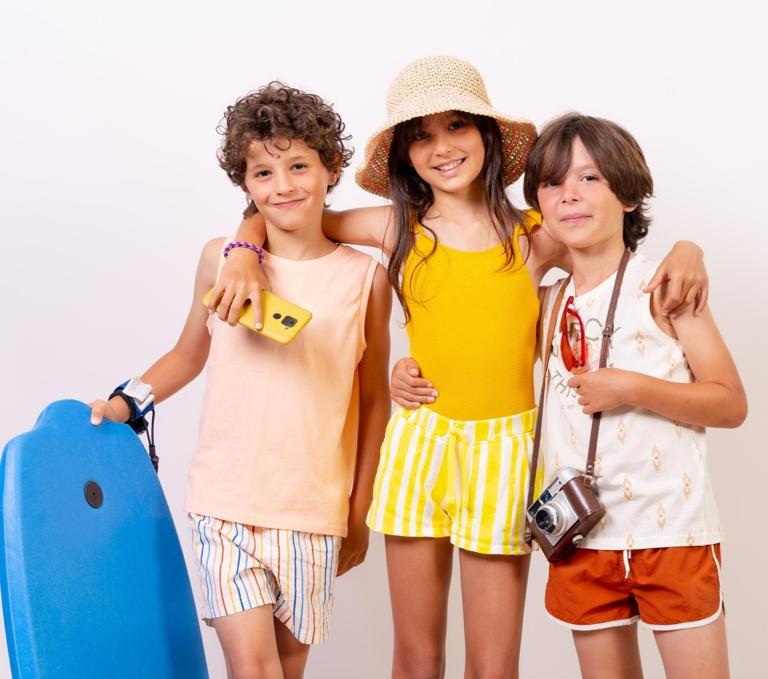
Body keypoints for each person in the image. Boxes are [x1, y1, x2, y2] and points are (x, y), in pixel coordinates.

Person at [209, 57, 709, 678]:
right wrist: (239, 253)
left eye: (457, 128)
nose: (441, 148)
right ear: (404, 156)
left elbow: (615, 236)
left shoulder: (536, 236)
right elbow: (287, 212)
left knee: (493, 667)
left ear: (488, 136)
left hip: (506, 450)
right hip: (420, 443)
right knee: (416, 659)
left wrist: (690, 248)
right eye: (421, 135)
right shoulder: (397, 227)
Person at [89, 82, 392, 679]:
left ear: (332, 169)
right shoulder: (220, 259)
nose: (283, 186)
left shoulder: (367, 280)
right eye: (263, 173)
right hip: (224, 503)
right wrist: (129, 403)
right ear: (246, 185)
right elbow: (186, 354)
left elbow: (375, 401)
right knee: (252, 668)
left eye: (299, 166)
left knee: (287, 665)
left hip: (312, 509)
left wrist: (358, 514)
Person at [523, 113, 745, 679]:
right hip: (580, 535)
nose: (569, 195)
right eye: (552, 183)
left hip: (672, 530)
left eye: (590, 178)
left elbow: (730, 403)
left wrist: (634, 388)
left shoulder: (665, 287)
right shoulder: (545, 302)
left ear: (627, 192)